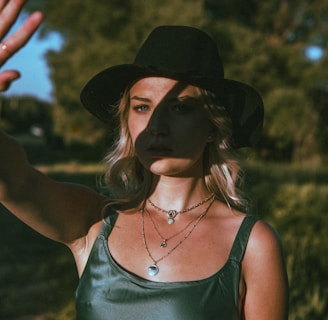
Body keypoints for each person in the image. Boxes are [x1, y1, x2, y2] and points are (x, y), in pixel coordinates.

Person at [0, 1, 289, 319]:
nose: (156, 126)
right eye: (142, 107)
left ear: (212, 126)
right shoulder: (93, 223)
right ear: (126, 120)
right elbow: (16, 181)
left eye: (180, 108)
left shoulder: (252, 244)